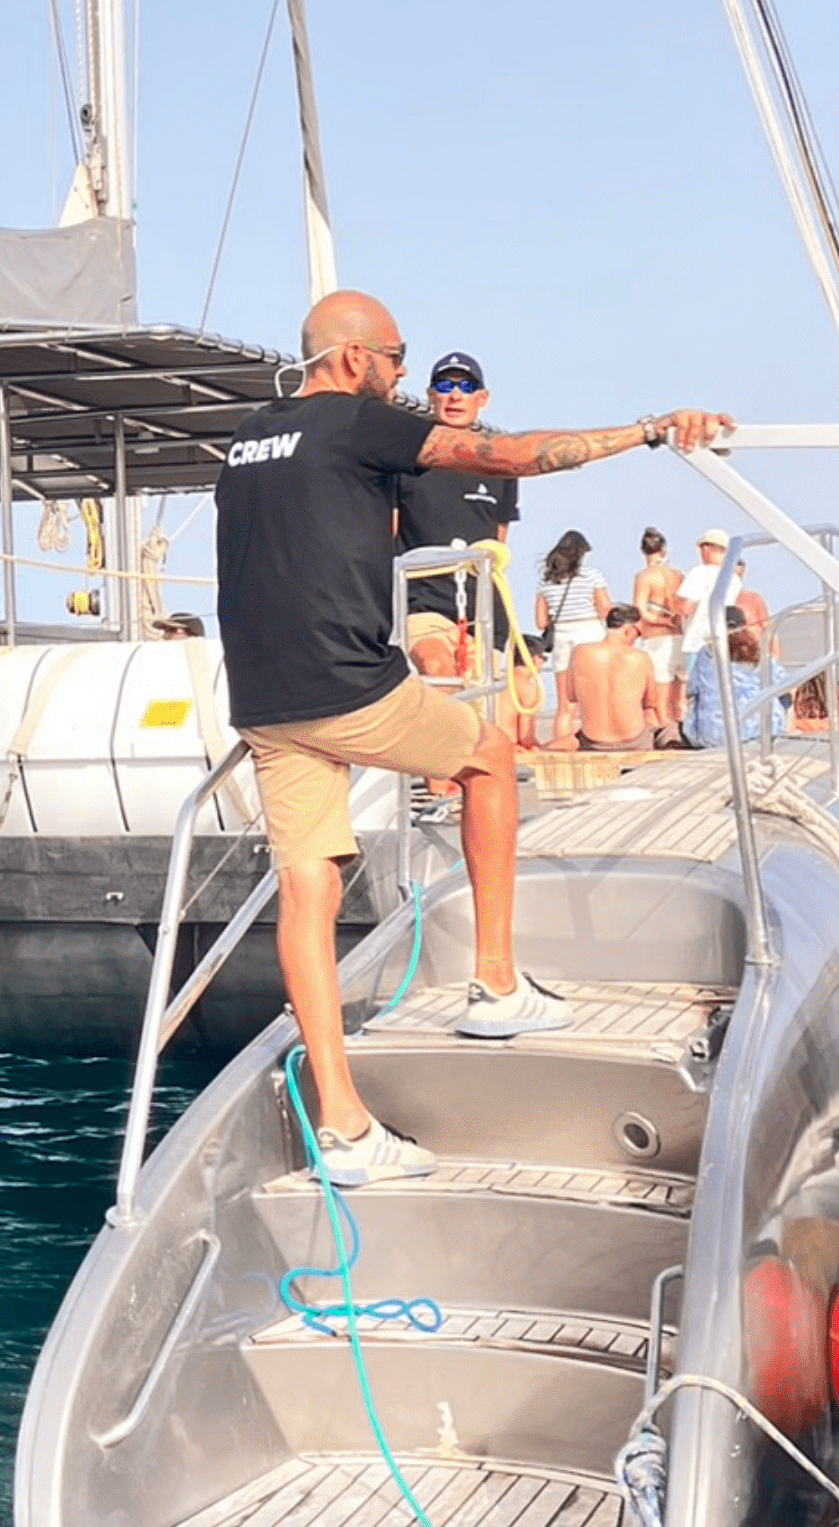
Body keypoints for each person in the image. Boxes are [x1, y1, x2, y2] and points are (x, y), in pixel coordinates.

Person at [212, 286, 729, 1185]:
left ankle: (342, 1126)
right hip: (348, 687)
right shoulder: (355, 419)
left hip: (263, 700)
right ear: (350, 358)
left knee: (308, 888)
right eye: (396, 356)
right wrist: (649, 428)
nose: (403, 374)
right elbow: (517, 455)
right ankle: (496, 984)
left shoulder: (248, 440)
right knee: (490, 756)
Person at [393, 350, 517, 689]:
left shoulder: (499, 464)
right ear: (431, 396)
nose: (455, 395)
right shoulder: (405, 458)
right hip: (423, 600)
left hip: (483, 605)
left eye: (466, 386)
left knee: (496, 703)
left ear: (483, 398)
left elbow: (498, 543)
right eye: (445, 385)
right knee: (438, 668)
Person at [534, 533, 613, 751]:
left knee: (565, 705)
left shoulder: (546, 581)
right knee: (594, 698)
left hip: (561, 635)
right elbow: (605, 608)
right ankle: (597, 743)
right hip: (589, 633)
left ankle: (562, 747)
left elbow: (541, 622)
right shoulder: (592, 576)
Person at [565, 607, 654, 753]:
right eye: (638, 634)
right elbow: (651, 702)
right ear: (629, 630)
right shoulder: (640, 658)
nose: (636, 640)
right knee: (666, 726)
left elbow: (571, 696)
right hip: (634, 741)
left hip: (594, 741)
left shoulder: (579, 653)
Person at [683, 617, 769, 752]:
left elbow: (691, 691)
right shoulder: (759, 653)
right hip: (755, 736)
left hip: (711, 739)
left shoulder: (705, 653)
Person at [633, 529, 686, 740]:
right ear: (664, 550)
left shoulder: (644, 577)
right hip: (680, 638)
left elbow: (641, 610)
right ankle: (680, 735)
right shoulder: (678, 576)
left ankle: (666, 738)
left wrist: (660, 620)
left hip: (657, 638)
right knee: (679, 696)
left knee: (660, 700)